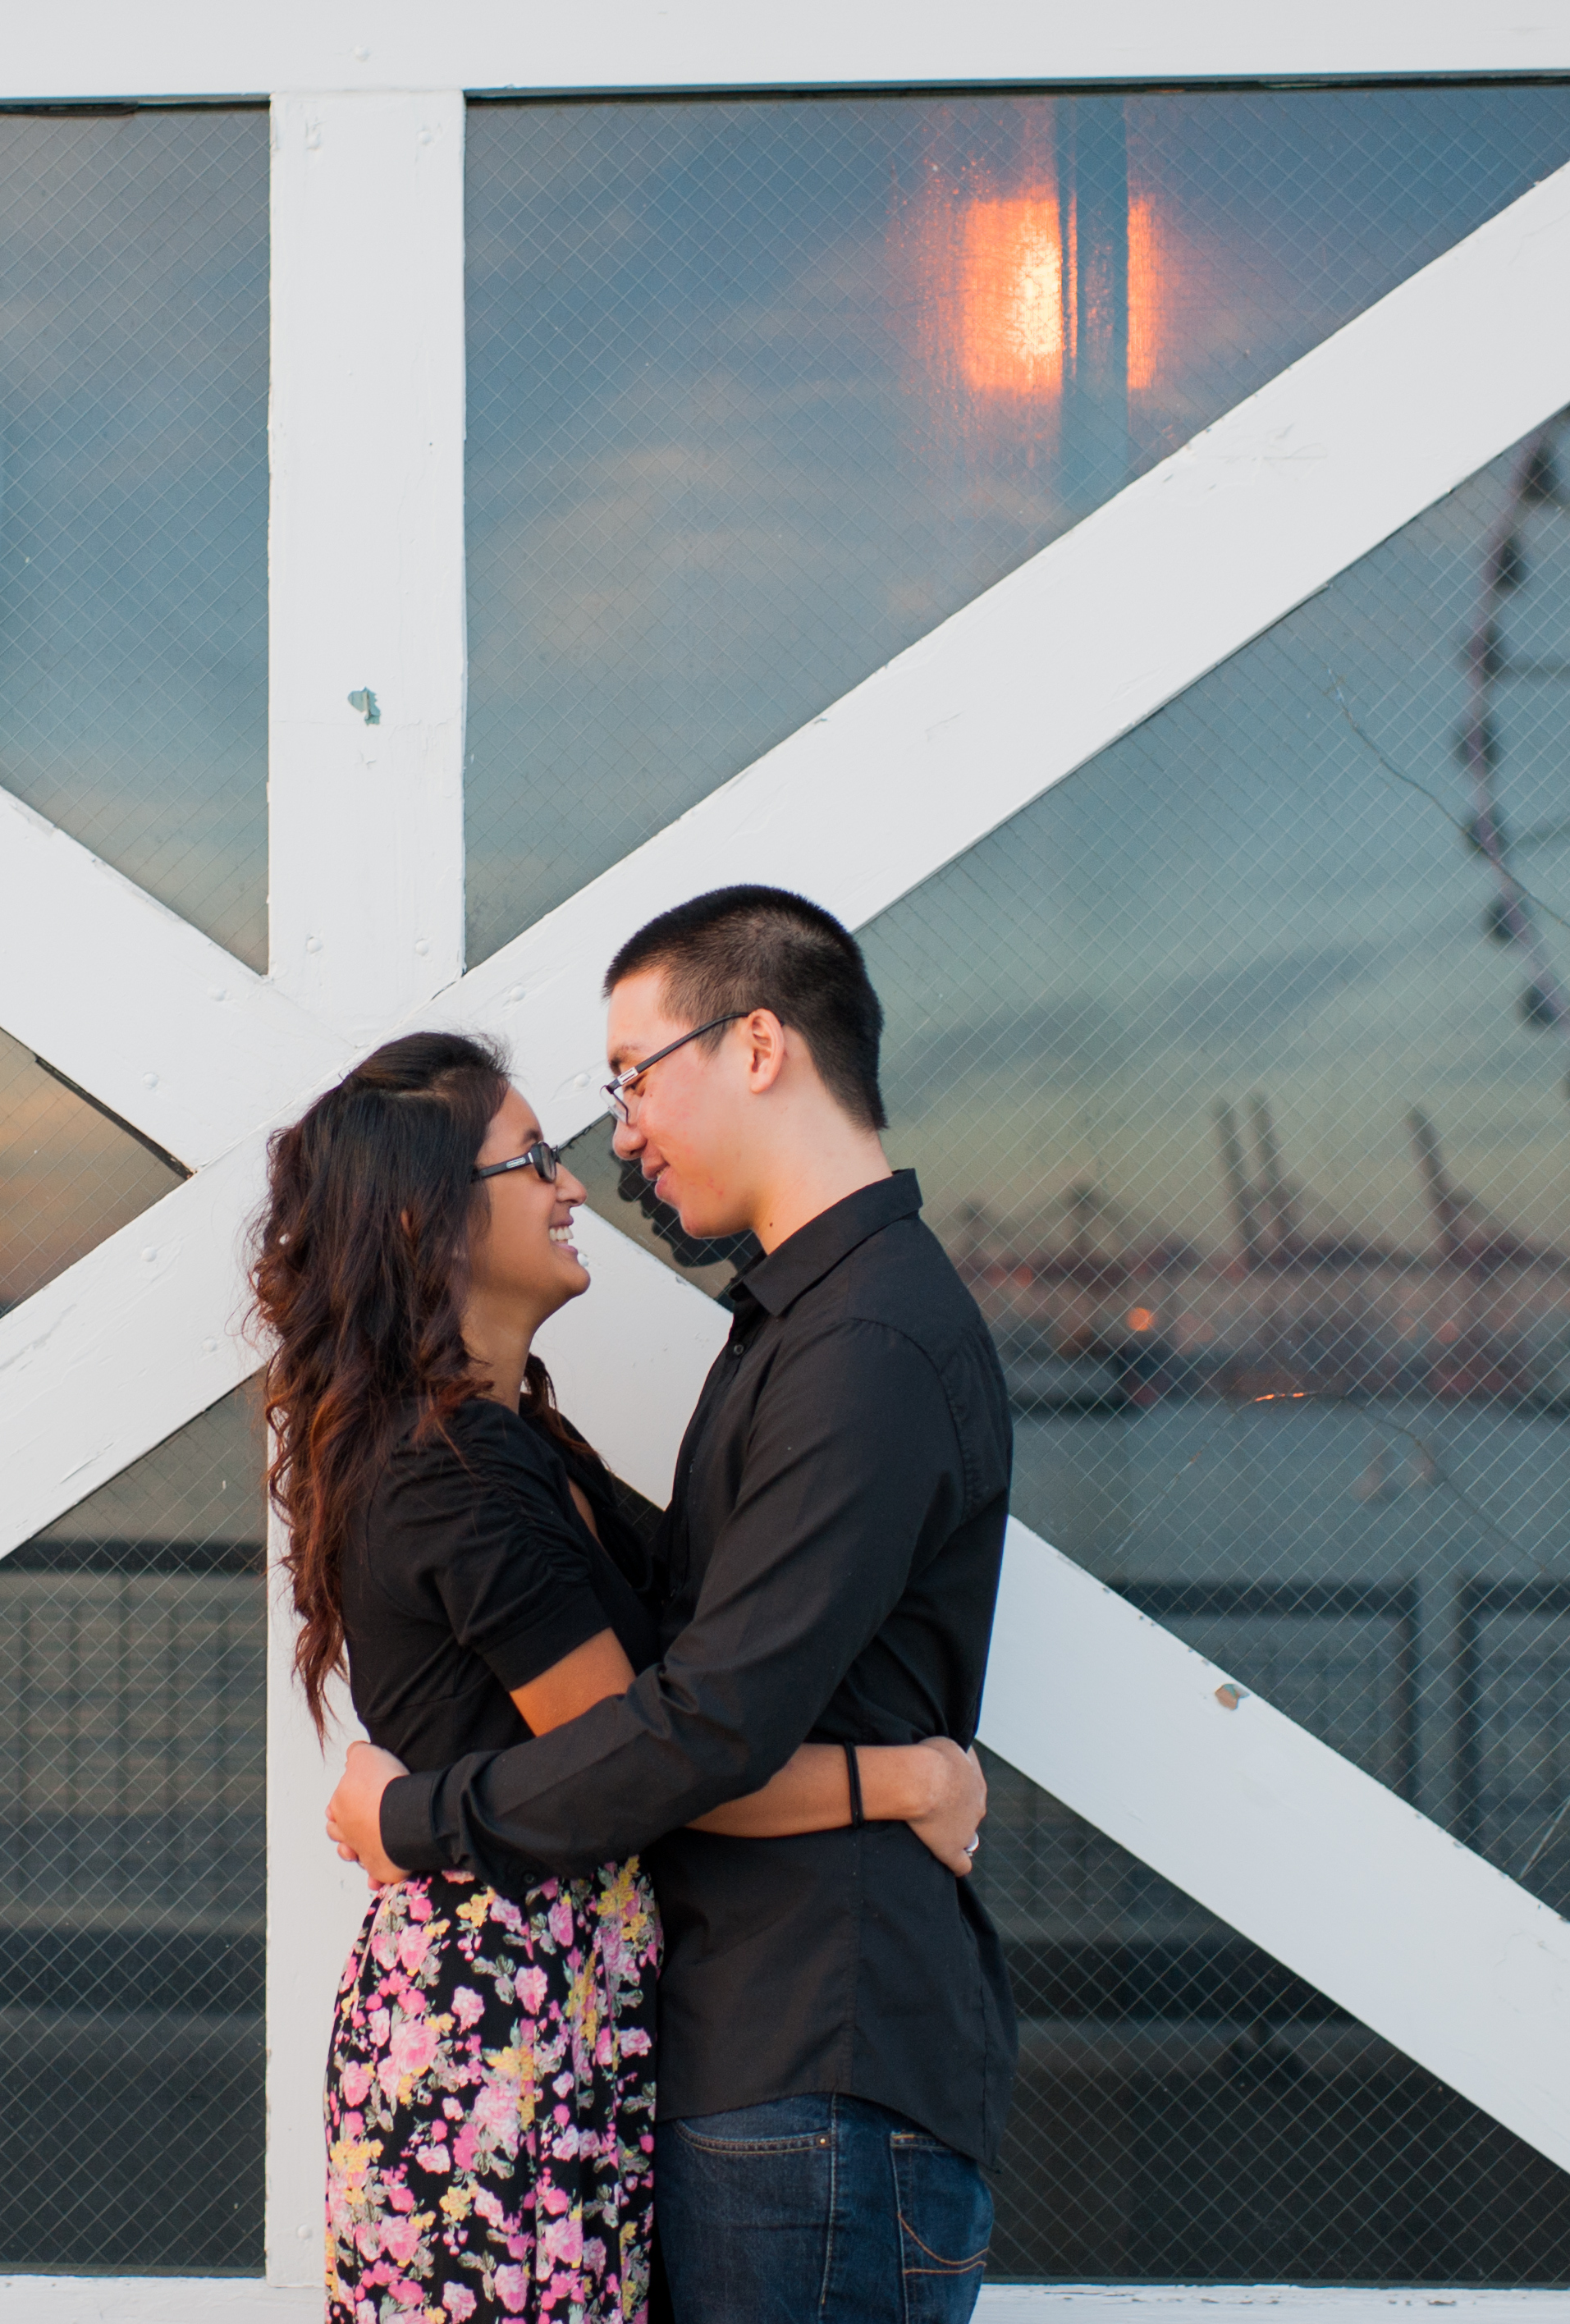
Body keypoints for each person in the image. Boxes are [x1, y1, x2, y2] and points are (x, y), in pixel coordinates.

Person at [326, 888, 1018, 2324]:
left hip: (815, 2055)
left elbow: (699, 1723)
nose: (616, 1138)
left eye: (635, 1075)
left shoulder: (864, 1343)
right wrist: (905, 1774)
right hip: (745, 2054)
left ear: (757, 1044)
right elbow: (681, 1697)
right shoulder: (792, 1331)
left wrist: (415, 1819)